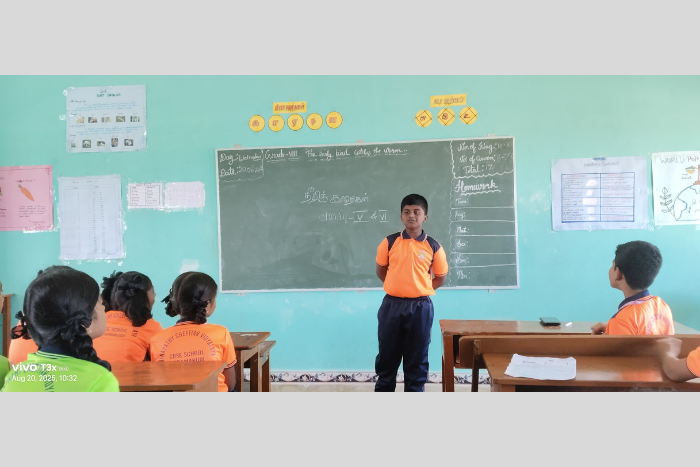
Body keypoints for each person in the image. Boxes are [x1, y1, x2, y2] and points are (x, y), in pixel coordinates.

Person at [374, 194, 449, 392]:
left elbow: (441, 277)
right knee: (387, 355)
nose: (411, 216)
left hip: (420, 308)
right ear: (401, 216)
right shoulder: (389, 242)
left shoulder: (433, 246)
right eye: (406, 212)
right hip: (391, 306)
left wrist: (418, 289)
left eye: (417, 212)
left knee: (417, 357)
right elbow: (381, 270)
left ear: (425, 217)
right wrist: (397, 286)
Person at [1, 266, 119, 392]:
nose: (104, 308)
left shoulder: (13, 376)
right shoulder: (100, 380)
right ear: (88, 319)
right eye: (101, 304)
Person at [150, 272, 237, 392]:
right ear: (208, 303)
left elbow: (161, 385)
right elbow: (230, 384)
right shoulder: (221, 333)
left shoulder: (157, 339)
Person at [591, 241, 674, 335]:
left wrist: (616, 326)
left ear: (618, 273)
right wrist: (612, 327)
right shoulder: (662, 305)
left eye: (612, 265)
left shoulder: (622, 320)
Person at [92, 271, 164, 362]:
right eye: (153, 291)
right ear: (144, 298)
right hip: (124, 371)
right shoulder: (153, 327)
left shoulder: (100, 318)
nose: (155, 295)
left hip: (92, 369)